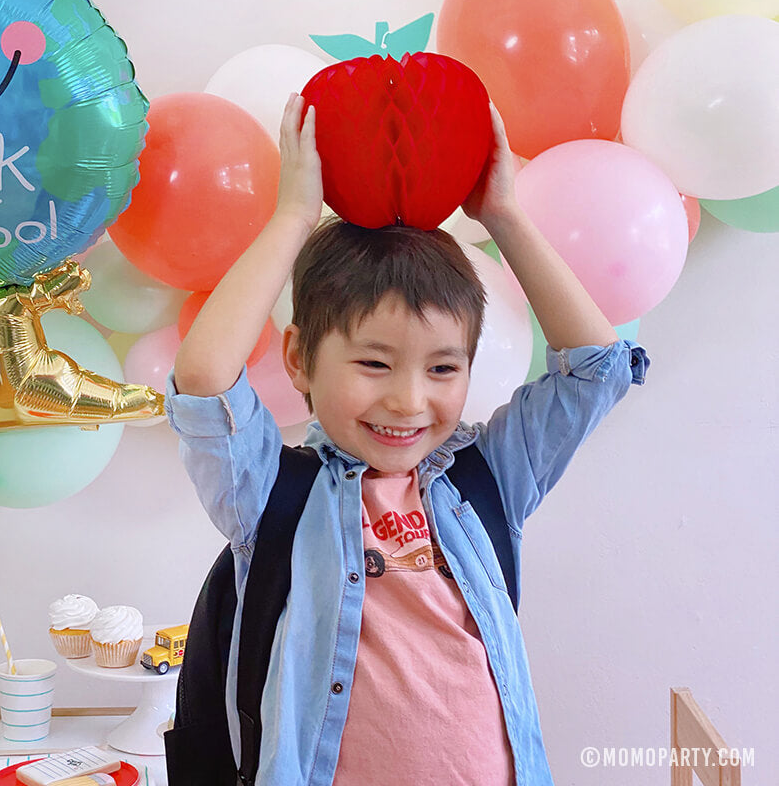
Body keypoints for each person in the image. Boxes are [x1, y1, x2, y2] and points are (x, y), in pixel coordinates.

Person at [167, 92, 648, 786]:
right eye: (373, 362)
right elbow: (206, 376)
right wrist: (294, 217)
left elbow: (597, 369)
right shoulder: (270, 493)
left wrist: (503, 216)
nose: (409, 400)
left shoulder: (488, 481)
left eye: (443, 367)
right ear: (299, 357)